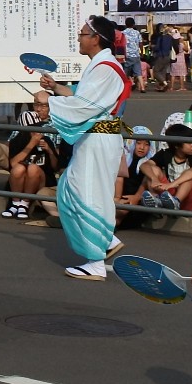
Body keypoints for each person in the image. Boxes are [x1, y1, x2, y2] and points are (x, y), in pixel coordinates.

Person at [40, 16, 133, 279]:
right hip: (94, 138)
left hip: (98, 139)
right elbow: (85, 99)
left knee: (89, 194)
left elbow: (86, 106)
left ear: (96, 38)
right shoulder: (101, 65)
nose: (78, 38)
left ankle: (95, 261)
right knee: (71, 190)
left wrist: (51, 104)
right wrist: (56, 88)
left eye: (82, 34)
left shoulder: (105, 67)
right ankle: (107, 240)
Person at [1, 92, 62, 219]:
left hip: (43, 174)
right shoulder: (21, 131)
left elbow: (56, 165)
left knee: (33, 168)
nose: (39, 109)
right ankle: (15, 203)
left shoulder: (57, 128)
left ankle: (25, 203)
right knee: (19, 168)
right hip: (21, 169)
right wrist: (32, 142)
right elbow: (13, 162)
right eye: (36, 104)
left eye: (44, 106)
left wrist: (49, 150)